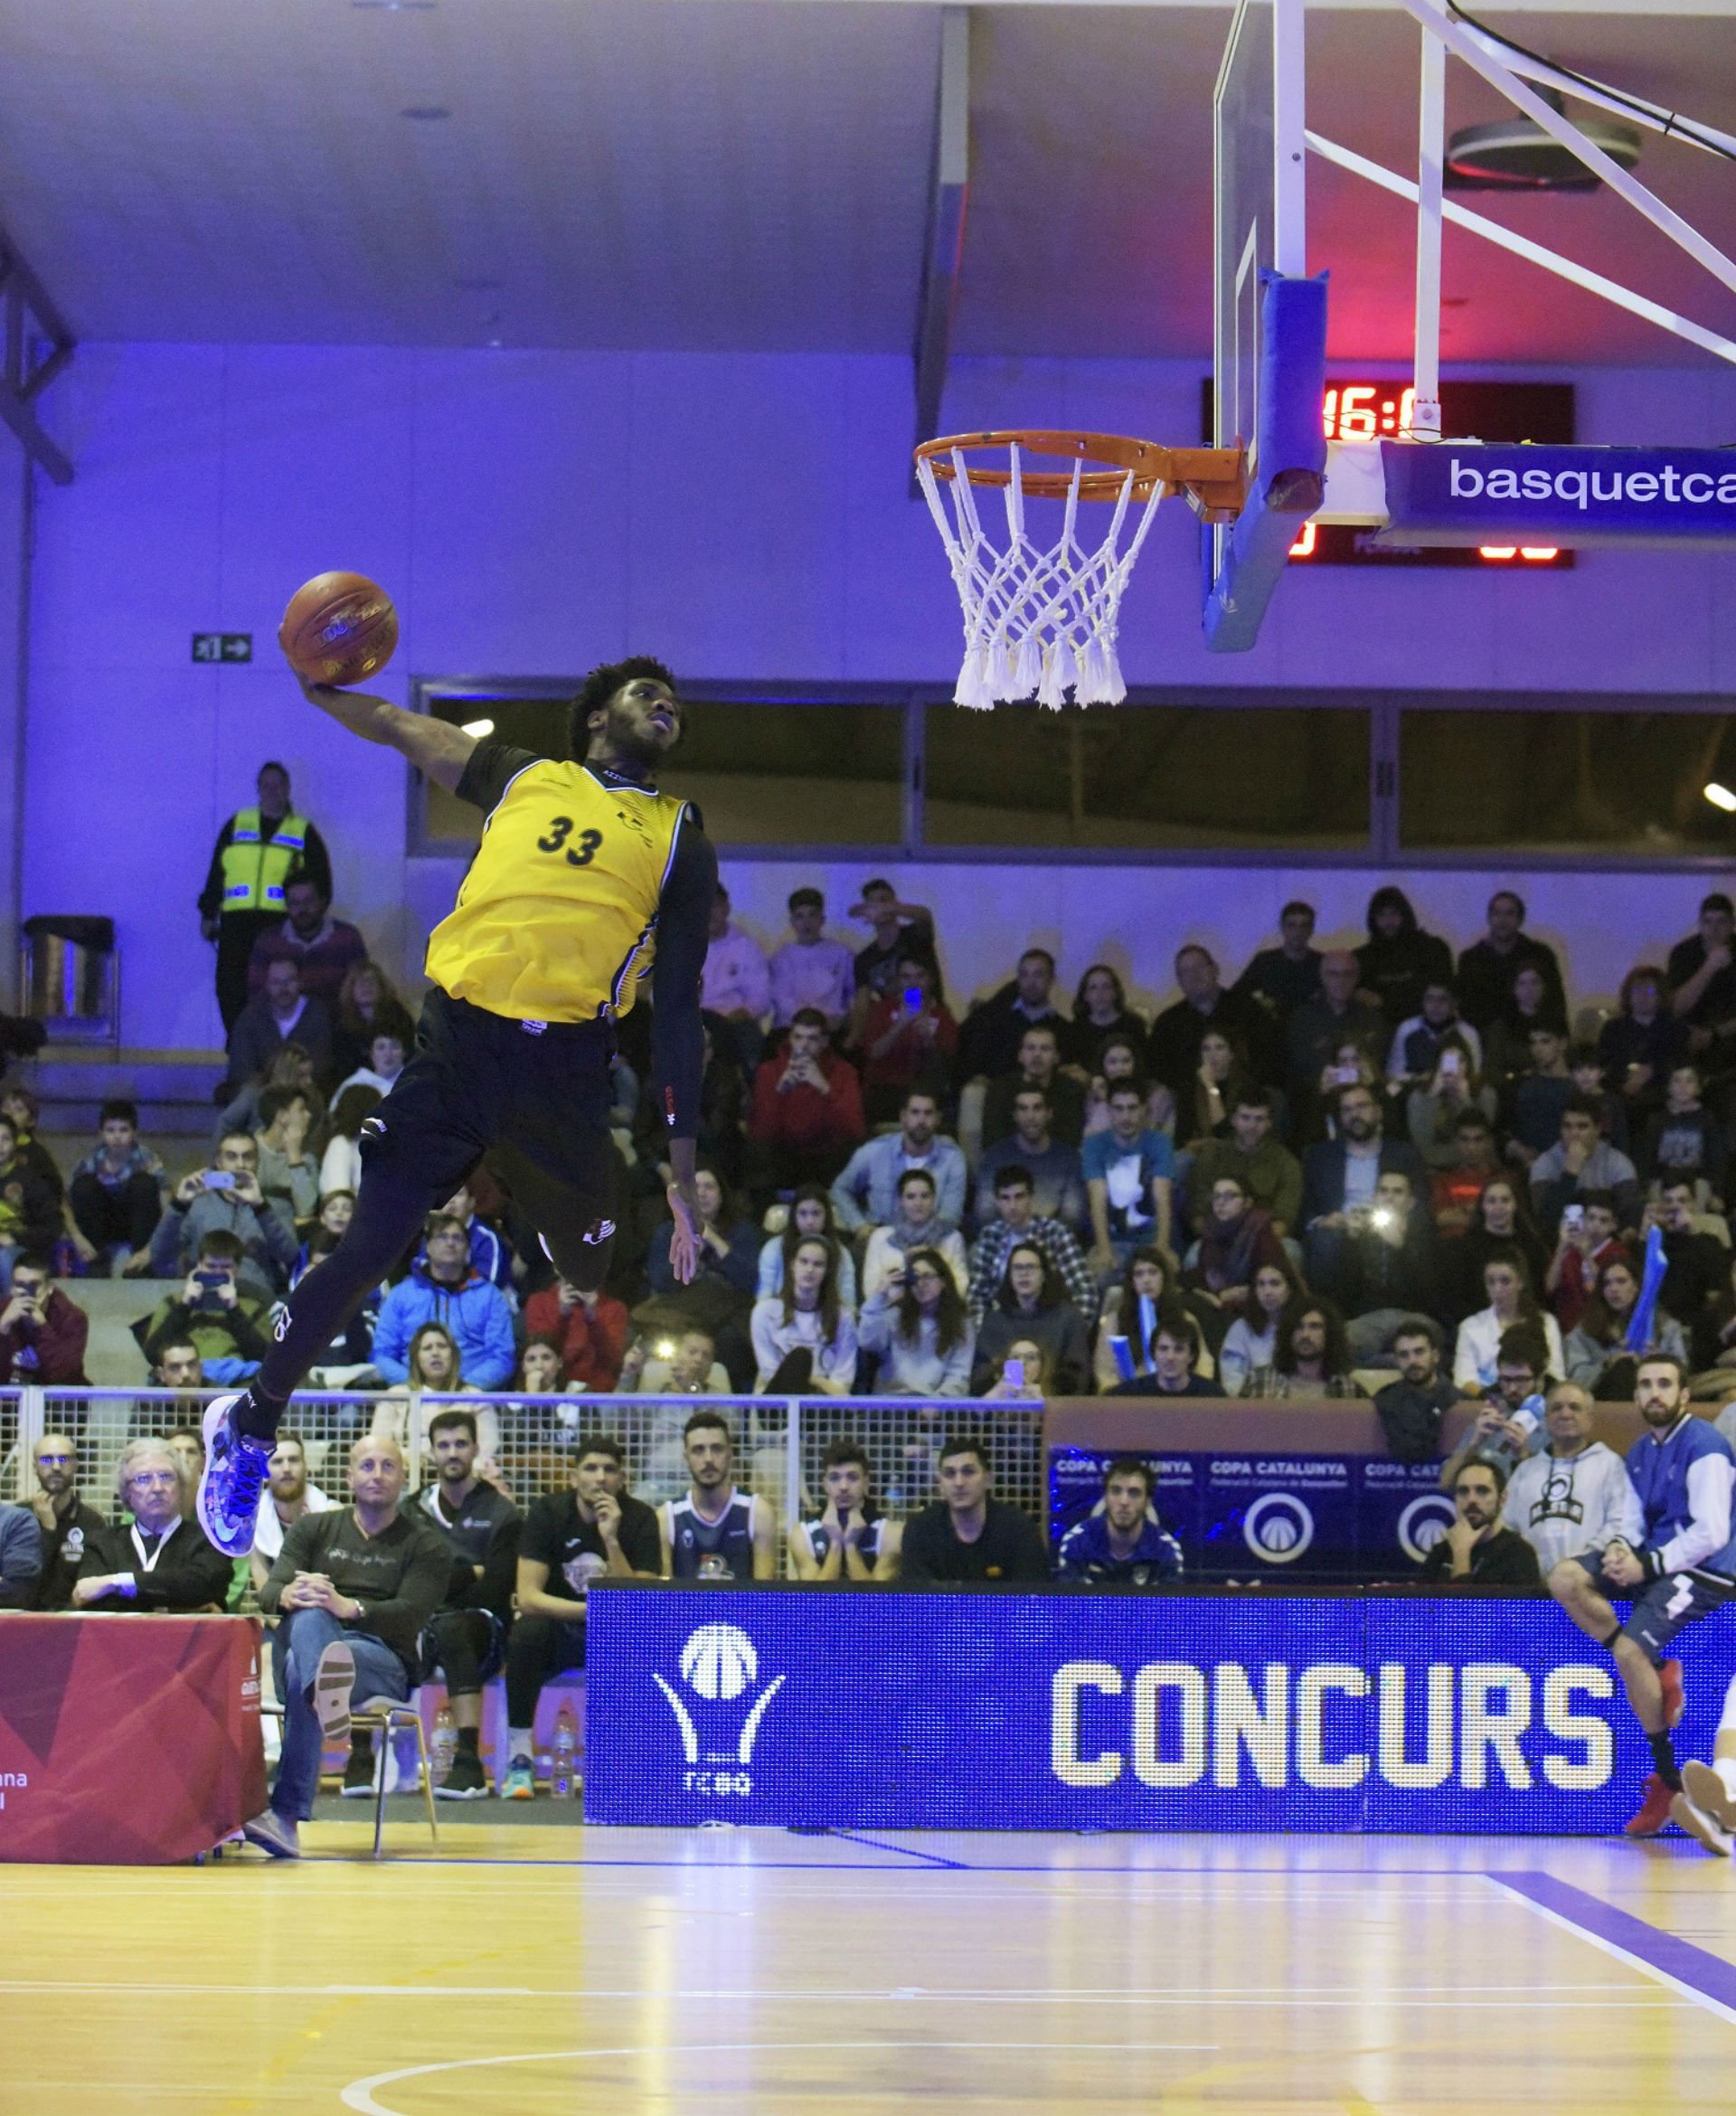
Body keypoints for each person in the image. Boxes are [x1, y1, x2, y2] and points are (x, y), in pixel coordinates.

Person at [196, 657, 713, 1565]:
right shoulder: (524, 774)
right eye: (645, 693)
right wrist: (329, 694)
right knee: (365, 1247)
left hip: (563, 1076)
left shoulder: (677, 833)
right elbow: (403, 727)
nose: (666, 704)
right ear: (596, 717)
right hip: (463, 1047)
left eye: (674, 700)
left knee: (593, 1266)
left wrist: (677, 1172)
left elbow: (676, 1009)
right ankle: (248, 1422)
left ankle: (528, 1203)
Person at [1547, 1355, 1736, 1837]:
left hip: (1704, 1571)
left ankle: (1668, 1778)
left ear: (1684, 1394)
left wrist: (1645, 1564)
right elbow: (1631, 1520)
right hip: (1654, 1562)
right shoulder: (1639, 1450)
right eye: (1646, 1385)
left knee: (1629, 1649)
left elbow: (1712, 1532)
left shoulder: (1705, 1445)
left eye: (1665, 1384)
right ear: (1635, 1396)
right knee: (1566, 1579)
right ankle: (1656, 1673)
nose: (1655, 1393)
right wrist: (1619, 1548)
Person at [248, 1433, 451, 1856]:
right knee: (308, 1615)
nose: (377, 1475)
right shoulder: (314, 1528)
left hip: (380, 1660)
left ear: (404, 1477)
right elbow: (271, 1592)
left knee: (307, 1663)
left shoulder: (427, 1544)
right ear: (349, 1477)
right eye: (367, 1466)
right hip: (311, 1643)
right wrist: (292, 1595)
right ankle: (327, 1692)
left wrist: (350, 1607)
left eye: (388, 1466)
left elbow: (412, 1614)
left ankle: (285, 1816)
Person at [502, 1434, 664, 1798]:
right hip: (559, 1628)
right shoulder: (547, 1513)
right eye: (590, 1468)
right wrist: (594, 1610)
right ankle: (520, 1758)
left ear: (622, 1478)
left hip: (614, 1634)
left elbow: (640, 1604)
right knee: (527, 1634)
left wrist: (611, 1540)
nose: (600, 1478)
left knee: (645, 1641)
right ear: (574, 1477)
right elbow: (528, 1597)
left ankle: (624, 1761)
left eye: (609, 1470)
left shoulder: (640, 1519)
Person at [415, 1409, 522, 1800]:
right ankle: (364, 1757)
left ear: (476, 1448)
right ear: (431, 1453)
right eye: (443, 1445)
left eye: (460, 1443)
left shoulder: (501, 1513)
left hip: (485, 1628)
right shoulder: (414, 1509)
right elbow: (408, 1579)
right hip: (425, 1621)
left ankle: (469, 1762)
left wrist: (449, 1580)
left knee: (454, 1627)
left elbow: (495, 1587)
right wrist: (468, 1571)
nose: (452, 1453)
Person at [199, 759, 333, 1034]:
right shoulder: (237, 825)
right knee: (229, 986)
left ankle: (275, 1047)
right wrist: (207, 913)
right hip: (235, 924)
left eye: (279, 784)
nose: (273, 790)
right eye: (267, 784)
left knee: (276, 987)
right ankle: (237, 1047)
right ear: (258, 788)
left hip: (280, 926)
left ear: (288, 789)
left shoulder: (302, 831)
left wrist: (311, 921)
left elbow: (322, 883)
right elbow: (217, 873)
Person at [1299, 1082, 1429, 1310]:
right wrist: (1324, 1221)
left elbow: (1420, 1203)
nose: (1355, 1115)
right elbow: (1306, 1209)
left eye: (1361, 1106)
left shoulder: (1404, 1154)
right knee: (1324, 1240)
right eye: (1347, 1110)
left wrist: (1402, 1223)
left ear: (1377, 1112)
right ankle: (1327, 1314)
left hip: (1388, 1225)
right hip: (1340, 1229)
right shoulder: (1319, 1156)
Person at [71, 1439, 233, 1611]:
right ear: (127, 1492)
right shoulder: (101, 1543)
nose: (157, 1488)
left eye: (166, 1477)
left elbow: (202, 1586)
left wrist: (114, 1582)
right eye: (143, 1479)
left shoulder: (210, 1540)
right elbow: (91, 1598)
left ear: (181, 1485)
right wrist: (179, 1602)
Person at [1503, 1379, 1642, 1577]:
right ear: (1545, 1418)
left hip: (1589, 1581)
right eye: (1557, 1408)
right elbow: (1507, 1527)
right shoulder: (1525, 1471)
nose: (1565, 1414)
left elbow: (1619, 1523)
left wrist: (1579, 1567)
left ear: (1590, 1418)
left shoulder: (1610, 1465)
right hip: (1533, 1588)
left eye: (1575, 1408)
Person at [640, 1163, 760, 1388]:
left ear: (722, 1195)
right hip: (679, 1313)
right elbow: (660, 1281)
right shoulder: (667, 1231)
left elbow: (751, 1282)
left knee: (731, 1342)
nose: (702, 1193)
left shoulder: (742, 1232)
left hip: (727, 1316)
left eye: (709, 1187)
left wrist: (713, 1240)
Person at [371, 1213, 516, 1393]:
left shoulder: (490, 1297)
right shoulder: (401, 1295)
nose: (450, 1243)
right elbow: (382, 1354)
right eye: (442, 1237)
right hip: (413, 1395)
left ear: (468, 1251)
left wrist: (464, 1388)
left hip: (473, 1395)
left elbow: (502, 1357)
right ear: (428, 1247)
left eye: (458, 1238)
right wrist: (416, 1387)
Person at [148, 1129, 298, 1299]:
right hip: (205, 1293)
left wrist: (260, 1208)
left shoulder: (277, 1206)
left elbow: (291, 1257)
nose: (240, 1165)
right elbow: (159, 1256)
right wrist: (179, 1205)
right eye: (232, 1157)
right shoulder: (197, 1205)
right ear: (218, 1162)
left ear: (258, 1162)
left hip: (255, 1297)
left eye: (248, 1157)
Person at [900, 1435, 1050, 1583]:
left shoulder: (1018, 1528)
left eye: (969, 1472)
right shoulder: (920, 1529)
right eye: (950, 1474)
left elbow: (1032, 1597)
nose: (959, 1482)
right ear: (940, 1484)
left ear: (988, 1479)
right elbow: (918, 1600)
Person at [746, 1007, 865, 1192]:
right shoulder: (769, 1071)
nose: (803, 1045)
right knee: (759, 1153)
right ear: (790, 1039)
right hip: (783, 1155)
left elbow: (854, 1129)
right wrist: (780, 1092)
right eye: (798, 1037)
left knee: (849, 1151)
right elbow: (760, 1132)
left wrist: (825, 1088)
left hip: (826, 1155)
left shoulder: (844, 1072)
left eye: (812, 1039)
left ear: (824, 1042)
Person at [135, 1230, 277, 1381]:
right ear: (199, 1264)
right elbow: (152, 1354)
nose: (217, 1273)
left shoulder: (253, 1306)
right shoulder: (173, 1302)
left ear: (237, 1268)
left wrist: (234, 1309)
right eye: (210, 1266)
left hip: (234, 1384)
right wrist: (184, 1305)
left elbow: (263, 1357)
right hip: (183, 1379)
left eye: (225, 1267)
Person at [966, 1167, 1098, 1329]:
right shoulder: (990, 1235)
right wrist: (986, 1332)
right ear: (997, 1202)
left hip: (1050, 1326)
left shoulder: (1056, 1233)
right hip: (1003, 1329)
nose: (1012, 1205)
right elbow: (976, 1295)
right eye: (1005, 1198)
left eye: (1019, 1197)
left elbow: (1085, 1292)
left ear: (1031, 1197)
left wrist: (1069, 1332)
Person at [658, 1411, 776, 1581]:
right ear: (686, 1458)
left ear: (730, 1454)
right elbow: (664, 1597)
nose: (708, 1459)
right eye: (698, 1450)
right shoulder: (666, 1518)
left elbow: (764, 1596)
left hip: (742, 1608)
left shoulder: (759, 1513)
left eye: (717, 1449)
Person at [829, 1090, 967, 1233]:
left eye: (928, 1113)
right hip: (878, 1236)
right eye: (915, 1112)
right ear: (903, 1117)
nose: (921, 1121)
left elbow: (950, 1216)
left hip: (931, 1241)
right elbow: (840, 1189)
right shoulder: (874, 1151)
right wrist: (859, 1225)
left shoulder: (952, 1158)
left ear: (938, 1119)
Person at [1145, 946, 1268, 1105]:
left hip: (1246, 1104)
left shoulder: (1249, 1010)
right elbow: (1158, 1073)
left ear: (1215, 970)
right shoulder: (1167, 1023)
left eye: (1199, 967)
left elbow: (1267, 1061)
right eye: (1186, 972)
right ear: (1179, 980)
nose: (1194, 975)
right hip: (1189, 1106)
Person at [1284, 950, 1390, 1134]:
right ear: (1323, 977)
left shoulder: (1373, 1019)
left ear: (1357, 978)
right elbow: (1296, 1074)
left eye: (1347, 974)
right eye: (1333, 974)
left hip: (1365, 1101)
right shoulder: (1302, 1020)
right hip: (1318, 1104)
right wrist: (1322, 1086)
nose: (1341, 980)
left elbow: (1381, 1067)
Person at [1565, 1249, 1691, 1400]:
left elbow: (1683, 1373)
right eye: (1607, 1283)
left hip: (1655, 1394)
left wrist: (1660, 1359)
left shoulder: (1666, 1326)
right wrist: (1608, 1363)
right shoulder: (1585, 1329)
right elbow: (1575, 1378)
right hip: (1603, 1396)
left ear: (1636, 1286)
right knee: (1623, 1366)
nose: (1613, 1289)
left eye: (1621, 1281)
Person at [971, 1240, 1090, 1394]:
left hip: (1054, 1407)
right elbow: (980, 1376)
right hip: (1003, 1406)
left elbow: (1077, 1374)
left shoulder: (1068, 1318)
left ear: (1044, 1275)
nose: (1023, 1273)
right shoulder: (994, 1320)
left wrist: (1042, 1392)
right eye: (1017, 1268)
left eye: (1031, 1267)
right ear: (1009, 1276)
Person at [1184, 1086, 1303, 1240]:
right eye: (1245, 1118)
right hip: (1216, 1237)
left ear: (1270, 1123)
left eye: (1259, 1119)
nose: (1252, 1126)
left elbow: (1284, 1221)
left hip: (1268, 1239)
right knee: (1193, 1259)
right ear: (1233, 1120)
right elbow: (1197, 1215)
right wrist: (1223, 1239)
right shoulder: (1211, 1156)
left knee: (1292, 1254)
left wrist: (1249, 1244)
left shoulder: (1286, 1163)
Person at [1438, 1327, 1549, 1491]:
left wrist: (1523, 1454)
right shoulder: (1488, 1418)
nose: (1512, 1388)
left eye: (1521, 1380)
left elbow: (1555, 1491)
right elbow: (1445, 1482)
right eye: (1505, 1379)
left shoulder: (1554, 1422)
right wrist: (1474, 1443)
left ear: (1539, 1380)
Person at [246, 870, 368, 1017]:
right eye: (294, 903)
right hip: (284, 1029)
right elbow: (256, 996)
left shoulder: (347, 938)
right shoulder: (268, 942)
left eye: (309, 901)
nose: (302, 909)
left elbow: (362, 989)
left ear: (322, 901)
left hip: (338, 1028)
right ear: (286, 905)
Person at [856, 1245, 975, 1396]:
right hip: (892, 1400)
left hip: (936, 1404)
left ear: (943, 1281)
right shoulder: (894, 1315)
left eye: (928, 1277)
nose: (921, 1284)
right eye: (915, 1278)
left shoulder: (961, 1323)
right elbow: (868, 1343)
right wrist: (880, 1296)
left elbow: (959, 1375)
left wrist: (937, 1403)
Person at [1081, 1080, 1175, 1271]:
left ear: (1144, 1109)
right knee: (1099, 1273)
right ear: (1109, 1110)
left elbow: (1161, 1196)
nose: (1126, 1116)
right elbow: (1097, 1198)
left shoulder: (1160, 1142)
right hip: (1112, 1241)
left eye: (1132, 1108)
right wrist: (1105, 1250)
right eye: (1119, 1108)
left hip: (1150, 1240)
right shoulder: (1094, 1144)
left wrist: (1162, 1248)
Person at [854, 955, 958, 1126]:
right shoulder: (882, 1010)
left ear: (931, 980)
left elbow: (949, 1061)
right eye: (906, 977)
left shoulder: (942, 1016)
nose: (913, 983)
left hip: (925, 1093)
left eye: (920, 976)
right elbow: (873, 1053)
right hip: (885, 1091)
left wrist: (928, 1039)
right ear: (898, 981)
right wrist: (901, 1024)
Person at [67, 1099, 165, 1276]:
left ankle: (139, 1263)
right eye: (110, 1130)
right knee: (83, 1186)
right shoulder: (90, 1161)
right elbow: (66, 1204)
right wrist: (77, 1237)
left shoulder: (148, 1160)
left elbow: (166, 1204)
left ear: (134, 1132)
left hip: (137, 1225)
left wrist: (152, 1248)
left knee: (144, 1183)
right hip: (103, 1225)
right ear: (101, 1133)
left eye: (124, 1130)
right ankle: (97, 1261)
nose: (117, 1136)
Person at [749, 1234, 858, 1393]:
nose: (809, 1270)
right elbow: (769, 1372)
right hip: (779, 1401)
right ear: (792, 1265)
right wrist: (813, 1379)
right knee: (800, 1357)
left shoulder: (843, 1317)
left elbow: (843, 1379)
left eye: (818, 1264)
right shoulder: (764, 1312)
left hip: (824, 1400)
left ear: (827, 1271)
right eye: (803, 1261)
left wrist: (816, 1385)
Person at [974, 1085, 1086, 1234]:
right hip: (1004, 1241)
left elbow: (1072, 1217)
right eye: (1023, 1109)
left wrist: (1037, 1241)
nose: (1030, 1116)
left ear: (1049, 1114)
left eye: (1037, 1108)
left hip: (1053, 1242)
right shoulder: (994, 1157)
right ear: (1014, 1115)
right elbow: (985, 1214)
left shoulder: (1069, 1158)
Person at [788, 1438, 902, 1582]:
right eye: (834, 1478)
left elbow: (874, 1602)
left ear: (866, 1483)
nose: (843, 1486)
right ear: (825, 1484)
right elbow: (817, 1601)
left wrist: (850, 1545)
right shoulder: (802, 1535)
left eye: (852, 1478)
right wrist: (836, 1542)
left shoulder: (891, 1535)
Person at [1056, 1457, 1184, 1584]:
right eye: (1116, 1491)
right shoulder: (1077, 1543)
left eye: (1134, 1493)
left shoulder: (1165, 1550)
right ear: (1105, 1497)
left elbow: (1169, 1604)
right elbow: (1071, 1603)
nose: (1124, 1502)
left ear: (1148, 1501)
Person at [1454, 1250, 1564, 1394]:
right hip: (1488, 1405)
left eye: (1505, 1281)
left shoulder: (1547, 1323)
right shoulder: (1470, 1327)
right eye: (1491, 1282)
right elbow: (1464, 1381)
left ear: (1520, 1282)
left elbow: (1555, 1375)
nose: (1497, 1289)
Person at [1455, 891, 1567, 1034]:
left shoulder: (1540, 955)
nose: (1503, 920)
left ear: (1520, 920)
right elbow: (1465, 1010)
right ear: (1489, 918)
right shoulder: (1471, 960)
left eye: (1509, 914)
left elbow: (1556, 1003)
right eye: (1497, 913)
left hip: (1533, 1040)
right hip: (1485, 1041)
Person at [1444, 1171, 1549, 1323]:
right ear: (1483, 1206)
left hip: (1527, 1322)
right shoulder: (1465, 1246)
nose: (1498, 1206)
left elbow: (1540, 1291)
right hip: (1479, 1323)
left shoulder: (1532, 1244)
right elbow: (1457, 1297)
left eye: (1505, 1200)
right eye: (1492, 1201)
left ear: (1515, 1205)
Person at [1416, 1459, 1541, 1586]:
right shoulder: (1441, 1552)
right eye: (1463, 1491)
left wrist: (1461, 1554)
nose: (1471, 1500)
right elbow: (1420, 1604)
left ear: (1502, 1500)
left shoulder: (1519, 1554)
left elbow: (1465, 1606)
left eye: (1482, 1491)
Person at [222, 958, 335, 1099]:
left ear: (300, 982)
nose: (283, 988)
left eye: (290, 981)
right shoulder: (251, 1017)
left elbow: (321, 1065)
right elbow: (241, 1069)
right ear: (267, 985)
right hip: (260, 1096)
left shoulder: (316, 1014)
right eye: (276, 982)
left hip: (305, 1094)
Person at [954, 949, 1064, 1087]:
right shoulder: (993, 1019)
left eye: (1038, 975)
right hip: (999, 1096)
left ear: (1051, 979)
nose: (1031, 982)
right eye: (1024, 975)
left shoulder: (1064, 1028)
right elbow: (970, 1064)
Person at [1184, 1172, 1286, 1316]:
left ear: (1247, 1203)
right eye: (1216, 1196)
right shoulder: (1211, 1230)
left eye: (1230, 1196)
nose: (1221, 1202)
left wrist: (1241, 1295)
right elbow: (1202, 1278)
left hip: (1257, 1311)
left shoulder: (1261, 1236)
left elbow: (1277, 1287)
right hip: (1219, 1304)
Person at [1599, 965, 1689, 1127]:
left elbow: (1681, 1062)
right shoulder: (1613, 1028)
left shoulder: (1675, 1028)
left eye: (1650, 992)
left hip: (1664, 1098)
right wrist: (1626, 1082)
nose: (1642, 997)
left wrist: (1653, 1071)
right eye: (1636, 991)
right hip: (1623, 1096)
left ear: (1660, 996)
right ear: (1628, 995)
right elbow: (1603, 1064)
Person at [859, 1169, 967, 1301]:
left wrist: (934, 1263)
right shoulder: (880, 1237)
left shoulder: (952, 1238)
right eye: (910, 1197)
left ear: (934, 1199)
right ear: (900, 1200)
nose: (918, 1203)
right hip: (890, 1313)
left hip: (938, 1313)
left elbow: (961, 1288)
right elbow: (870, 1291)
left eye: (925, 1196)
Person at [250, 1431, 335, 1597]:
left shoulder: (331, 1514)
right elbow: (266, 1592)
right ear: (264, 1474)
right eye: (277, 1462)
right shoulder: (254, 1522)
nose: (287, 1469)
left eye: (294, 1460)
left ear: (306, 1468)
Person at [1355, 887, 1454, 1030]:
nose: (1388, 921)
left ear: (1406, 915)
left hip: (1426, 1031)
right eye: (1382, 915)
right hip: (1378, 1033)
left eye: (1394, 913)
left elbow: (1442, 997)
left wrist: (1384, 1002)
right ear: (1373, 920)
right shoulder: (1362, 958)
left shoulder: (1431, 950)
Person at [28, 1431, 108, 1611]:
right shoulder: (18, 1517)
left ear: (76, 1465)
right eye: (47, 1460)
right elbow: (23, 1583)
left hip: (73, 1624)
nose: (56, 1467)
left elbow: (89, 1589)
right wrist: (48, 1531)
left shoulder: (93, 1522)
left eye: (64, 1459)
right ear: (34, 1467)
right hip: (24, 1621)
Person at [701, 883, 772, 1073]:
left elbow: (761, 998)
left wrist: (738, 1015)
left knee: (750, 1037)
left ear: (727, 908)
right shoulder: (682, 946)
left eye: (714, 905)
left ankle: (751, 1096)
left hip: (733, 1021)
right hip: (694, 1021)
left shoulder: (746, 947)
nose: (709, 913)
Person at [1649, 1179, 1728, 1349]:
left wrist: (1688, 1235)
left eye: (1682, 1201)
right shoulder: (1653, 1241)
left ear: (1693, 1205)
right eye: (1668, 1201)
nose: (1675, 1207)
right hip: (1656, 1325)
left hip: (1696, 1329)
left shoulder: (1709, 1242)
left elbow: (1717, 1290)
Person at [982, 1024, 1086, 1152]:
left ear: (1056, 1057)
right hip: (1009, 1162)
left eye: (1045, 1049)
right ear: (1020, 1056)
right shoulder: (999, 1089)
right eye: (1031, 1048)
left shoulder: (1071, 1090)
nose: (1037, 1054)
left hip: (1056, 1162)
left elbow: (1071, 1139)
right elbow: (992, 1140)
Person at [522, 1274, 631, 1393]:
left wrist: (592, 1319)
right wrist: (563, 1316)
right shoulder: (538, 1302)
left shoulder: (615, 1308)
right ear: (556, 1267)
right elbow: (544, 1352)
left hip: (598, 1394)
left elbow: (612, 1362)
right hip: (553, 1389)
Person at [1241, 1296, 1366, 1399]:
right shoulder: (1258, 1381)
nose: (1305, 1335)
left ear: (1330, 1334)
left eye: (1315, 1327)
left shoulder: (1349, 1389)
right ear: (1288, 1333)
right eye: (1299, 1327)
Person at [758, 1186, 863, 1308]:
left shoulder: (841, 1253)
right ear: (794, 1215)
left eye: (816, 1213)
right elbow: (764, 1296)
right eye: (803, 1213)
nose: (810, 1221)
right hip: (783, 1317)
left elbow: (848, 1303)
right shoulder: (773, 1249)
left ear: (826, 1216)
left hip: (826, 1319)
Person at [847, 880, 938, 1020]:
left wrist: (888, 908)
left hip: (931, 1018)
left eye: (884, 900)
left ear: (895, 902)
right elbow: (862, 1005)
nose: (879, 906)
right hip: (892, 1027)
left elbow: (924, 915)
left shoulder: (915, 935)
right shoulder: (865, 958)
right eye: (872, 902)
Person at [768, 887, 854, 1033]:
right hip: (790, 1029)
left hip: (831, 1028)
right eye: (800, 916)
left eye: (812, 915)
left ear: (822, 919)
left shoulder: (842, 954)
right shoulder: (781, 958)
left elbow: (852, 995)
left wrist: (841, 1019)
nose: (806, 923)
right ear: (792, 922)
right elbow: (782, 1002)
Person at [1638, 1063, 1729, 1202]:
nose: (1683, 1086)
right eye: (1677, 1080)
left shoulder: (1707, 1120)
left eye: (1689, 1081)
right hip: (1663, 1179)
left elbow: (1716, 1158)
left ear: (1698, 1088)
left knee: (1701, 1191)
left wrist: (1717, 1193)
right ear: (1668, 1087)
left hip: (1697, 1181)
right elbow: (1646, 1157)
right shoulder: (1657, 1119)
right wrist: (1643, 1188)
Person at [1373, 1318, 1458, 1463]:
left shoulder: (1461, 1400)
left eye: (1419, 1352)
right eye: (1404, 1355)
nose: (1412, 1361)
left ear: (1436, 1356)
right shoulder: (1384, 1400)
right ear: (1396, 1361)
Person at [1232, 902, 1323, 1034]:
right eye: (1292, 925)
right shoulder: (1264, 963)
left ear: (1312, 929)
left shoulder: (1323, 964)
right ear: (1282, 927)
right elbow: (1238, 997)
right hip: (1270, 1037)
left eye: (1304, 926)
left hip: (1312, 1035)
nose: (1298, 932)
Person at [1216, 1258, 1301, 1398]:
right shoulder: (1241, 1329)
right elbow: (1232, 1385)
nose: (1267, 1291)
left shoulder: (1304, 1327)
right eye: (1261, 1284)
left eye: (1275, 1284)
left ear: (1289, 1289)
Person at [0, 1253, 89, 1384]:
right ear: (12, 1288)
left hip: (57, 1399)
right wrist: (3, 1326)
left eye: (34, 1285)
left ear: (49, 1288)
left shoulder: (72, 1318)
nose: (27, 1293)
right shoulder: (3, 1311)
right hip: (12, 1397)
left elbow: (64, 1375)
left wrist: (42, 1326)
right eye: (20, 1285)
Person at [1386, 979, 1483, 1097]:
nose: (1436, 1005)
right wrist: (1422, 1079)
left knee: (1486, 1094)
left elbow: (1476, 1075)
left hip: (1457, 1091)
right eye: (1429, 999)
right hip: (1417, 1092)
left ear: (1455, 1003)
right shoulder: (1407, 1029)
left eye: (1443, 999)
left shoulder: (1468, 1033)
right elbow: (1393, 1074)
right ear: (1422, 1002)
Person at [1668, 891, 1736, 1056]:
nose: (1714, 929)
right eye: (1707, 922)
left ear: (1732, 924)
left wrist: (1716, 1034)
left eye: (1721, 921)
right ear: (1700, 923)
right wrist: (1709, 967)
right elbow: (1676, 1008)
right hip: (1689, 1036)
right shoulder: (1683, 952)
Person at [0, 1111, 61, 1293]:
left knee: (3, 1260)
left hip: (18, 1250)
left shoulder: (29, 1180)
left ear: (15, 1142)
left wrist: (14, 1238)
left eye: (5, 1139)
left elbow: (53, 1227)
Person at [1104, 1310, 1225, 1399]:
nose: (1170, 1357)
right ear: (1153, 1353)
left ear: (1191, 1356)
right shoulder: (1130, 1394)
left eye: (1179, 1350)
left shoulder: (1212, 1396)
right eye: (1163, 1349)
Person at [329, 958, 412, 1084]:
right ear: (351, 989)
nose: (366, 986)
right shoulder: (342, 1026)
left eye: (371, 981)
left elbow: (411, 1051)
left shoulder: (399, 1017)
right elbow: (342, 1066)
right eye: (360, 982)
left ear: (381, 986)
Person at [252, 1084, 322, 1232]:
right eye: (302, 1109)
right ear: (282, 1116)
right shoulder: (248, 1149)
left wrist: (294, 1156)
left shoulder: (308, 1160)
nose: (308, 1115)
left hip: (289, 1232)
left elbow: (306, 1209)